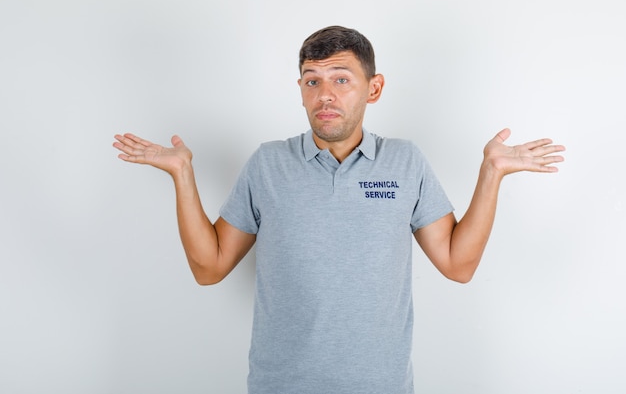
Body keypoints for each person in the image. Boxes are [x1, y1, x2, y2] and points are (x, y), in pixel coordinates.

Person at [113, 25, 565, 394]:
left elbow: (458, 264)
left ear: (374, 88)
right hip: (280, 386)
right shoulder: (268, 163)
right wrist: (182, 174)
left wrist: (492, 173)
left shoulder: (405, 161)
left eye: (341, 79)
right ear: (301, 89)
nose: (325, 94)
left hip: (381, 386)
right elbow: (209, 267)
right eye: (313, 80)